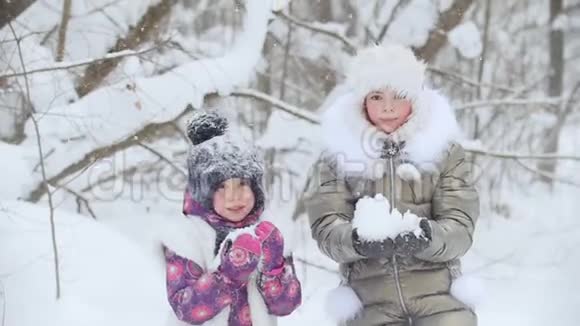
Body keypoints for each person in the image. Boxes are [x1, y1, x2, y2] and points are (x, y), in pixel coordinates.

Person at [306, 43, 479, 326]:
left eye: (398, 96)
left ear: (415, 99)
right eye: (376, 96)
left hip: (440, 298)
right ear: (362, 101)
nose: (387, 107)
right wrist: (357, 241)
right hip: (368, 302)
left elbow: (460, 226)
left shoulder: (443, 152)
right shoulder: (338, 157)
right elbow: (326, 227)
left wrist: (427, 237)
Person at [160, 111, 301, 326]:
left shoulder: (269, 232)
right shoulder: (186, 237)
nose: (234, 197)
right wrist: (227, 276)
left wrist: (273, 267)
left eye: (242, 184)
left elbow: (286, 305)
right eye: (221, 187)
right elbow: (185, 308)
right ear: (204, 193)